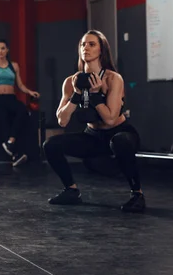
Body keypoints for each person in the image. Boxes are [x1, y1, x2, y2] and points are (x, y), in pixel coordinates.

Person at [44, 29, 145, 213]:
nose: (86, 48)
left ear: (101, 50)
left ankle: (137, 194)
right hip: (93, 137)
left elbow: (110, 118)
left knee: (119, 141)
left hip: (120, 133)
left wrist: (96, 95)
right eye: (83, 44)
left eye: (92, 44)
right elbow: (62, 121)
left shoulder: (113, 79)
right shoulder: (70, 82)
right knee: (50, 145)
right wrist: (77, 94)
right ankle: (71, 190)